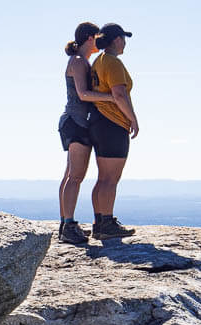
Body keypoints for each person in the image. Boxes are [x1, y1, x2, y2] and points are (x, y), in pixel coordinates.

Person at [57, 22, 116, 244]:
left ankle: (65, 223)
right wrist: (112, 98)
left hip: (71, 121)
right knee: (76, 176)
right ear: (90, 38)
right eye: (97, 38)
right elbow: (83, 94)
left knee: (69, 175)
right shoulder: (80, 62)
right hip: (77, 122)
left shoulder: (78, 61)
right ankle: (68, 226)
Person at [88, 22, 138, 239]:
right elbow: (119, 94)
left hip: (98, 122)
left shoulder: (98, 61)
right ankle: (107, 224)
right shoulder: (113, 62)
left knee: (102, 178)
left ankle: (100, 222)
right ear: (117, 40)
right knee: (110, 179)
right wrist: (132, 119)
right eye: (123, 39)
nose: (125, 43)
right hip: (113, 123)